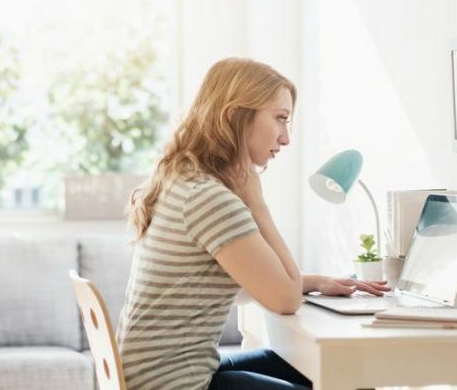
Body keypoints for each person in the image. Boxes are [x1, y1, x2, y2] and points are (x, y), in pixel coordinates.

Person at [116, 58, 389, 390]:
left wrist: (313, 281)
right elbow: (285, 301)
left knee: (341, 367)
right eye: (280, 119)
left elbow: (239, 286)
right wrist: (256, 202)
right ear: (236, 116)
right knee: (348, 375)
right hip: (178, 384)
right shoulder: (208, 198)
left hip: (163, 376)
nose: (286, 138)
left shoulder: (183, 181)